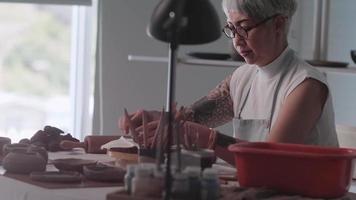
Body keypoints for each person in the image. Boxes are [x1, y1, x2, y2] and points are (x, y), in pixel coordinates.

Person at [119, 0, 339, 165]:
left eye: (244, 27)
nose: (236, 40)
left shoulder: (305, 85)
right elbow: (192, 118)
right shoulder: (243, 77)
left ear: (278, 24)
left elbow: (270, 161)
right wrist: (158, 119)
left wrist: (205, 137)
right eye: (231, 29)